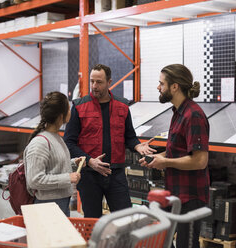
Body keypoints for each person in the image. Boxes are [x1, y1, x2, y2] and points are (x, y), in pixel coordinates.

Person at [64, 64, 156, 218]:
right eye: (92, 81)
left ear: (109, 82)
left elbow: (130, 137)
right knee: (92, 222)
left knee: (125, 219)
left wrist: (138, 146)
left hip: (116, 174)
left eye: (99, 82)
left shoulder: (123, 106)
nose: (94, 86)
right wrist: (89, 161)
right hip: (89, 175)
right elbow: (68, 142)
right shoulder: (79, 107)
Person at [139, 64, 210, 248]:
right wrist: (157, 159)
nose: (158, 87)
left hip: (191, 197)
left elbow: (200, 160)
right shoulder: (177, 113)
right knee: (161, 239)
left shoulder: (193, 115)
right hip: (174, 193)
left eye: (161, 83)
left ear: (175, 86)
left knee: (186, 245)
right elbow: (177, 152)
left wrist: (166, 162)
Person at [24, 91, 85, 216]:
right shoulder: (40, 143)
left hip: (60, 202)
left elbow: (53, 166)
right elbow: (35, 180)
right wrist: (68, 178)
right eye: (68, 109)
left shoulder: (56, 137)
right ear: (60, 116)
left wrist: (73, 164)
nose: (70, 112)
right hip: (47, 206)